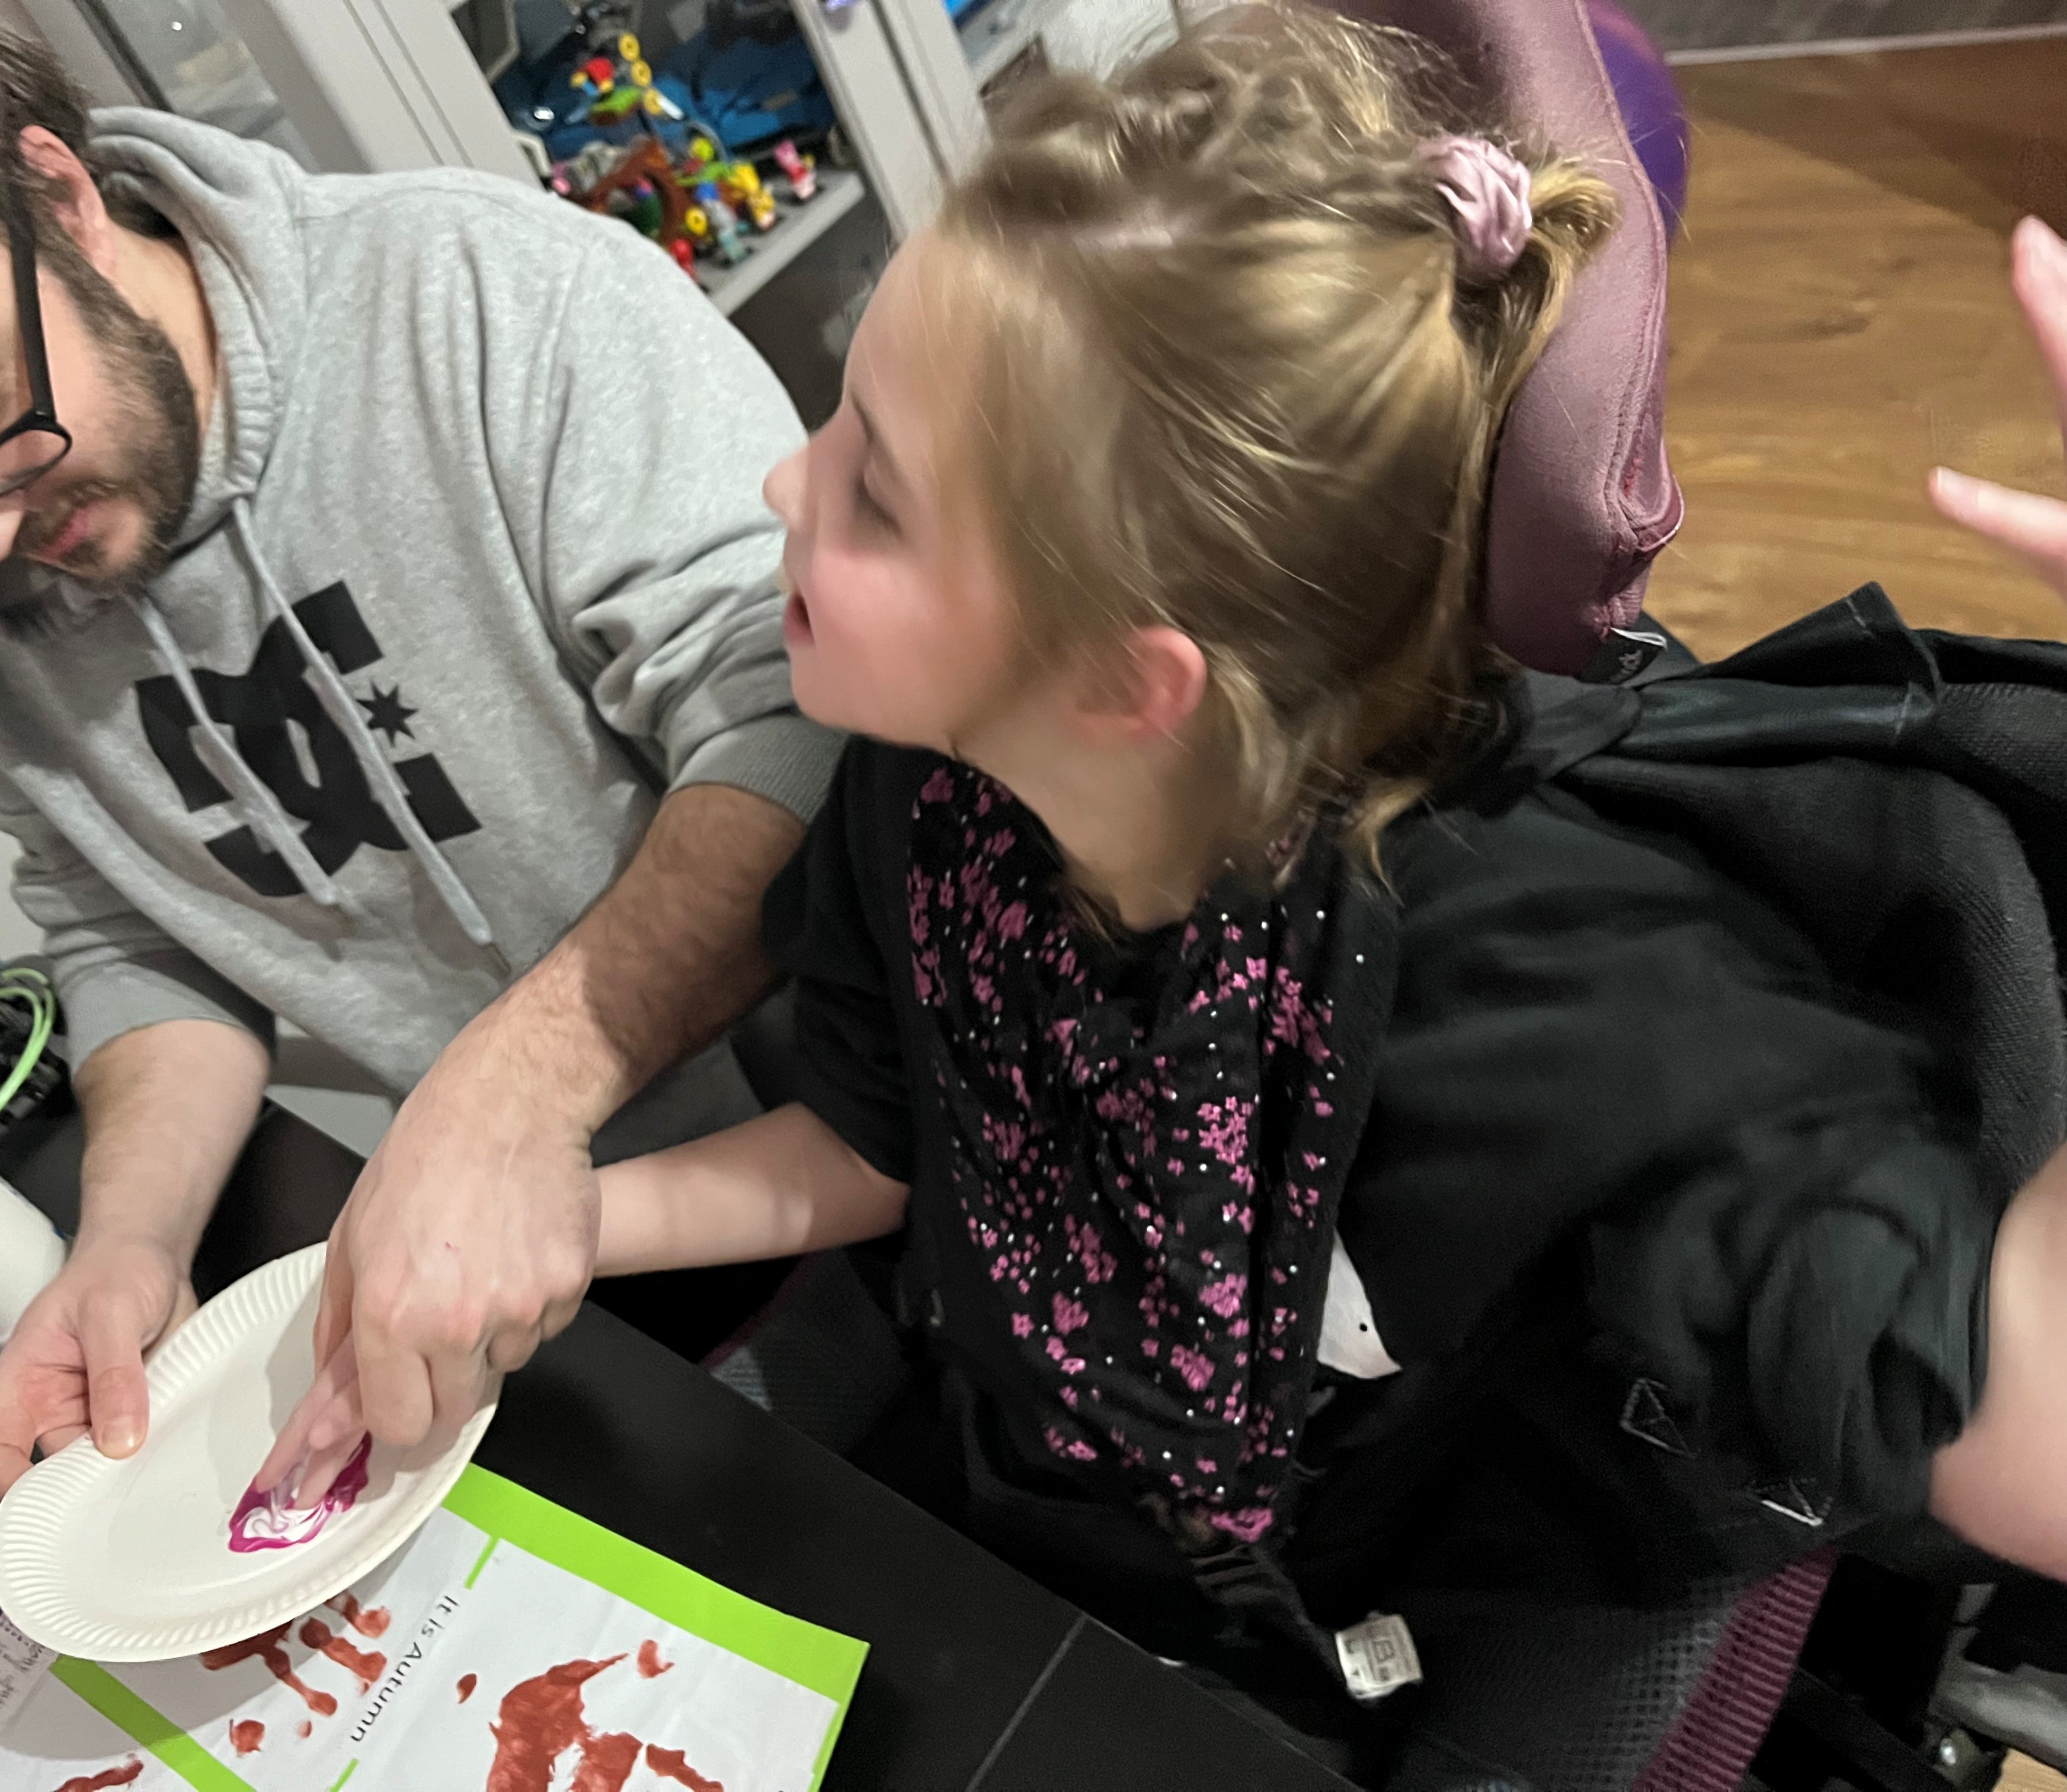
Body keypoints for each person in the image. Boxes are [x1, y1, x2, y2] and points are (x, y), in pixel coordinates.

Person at [396, 1, 2067, 1758]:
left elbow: (2022, 1426)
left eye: (870, 491)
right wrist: (550, 1222)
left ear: (1126, 679)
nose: (777, 483)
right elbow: (881, 1143)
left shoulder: (1546, 986)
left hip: (1411, 1607)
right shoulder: (932, 779)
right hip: (1071, 1518)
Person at [0, 0, 835, 1497]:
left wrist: (506, 1097)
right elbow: (133, 926)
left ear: (58, 196)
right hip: (503, 1269)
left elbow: (794, 719)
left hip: (863, 1149)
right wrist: (126, 1246)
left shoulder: (492, 299)